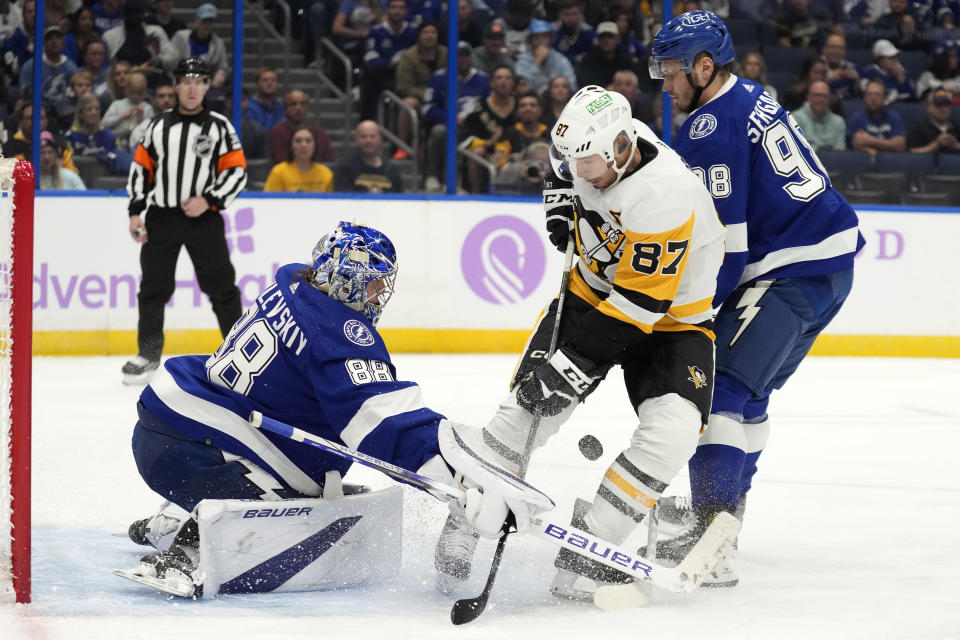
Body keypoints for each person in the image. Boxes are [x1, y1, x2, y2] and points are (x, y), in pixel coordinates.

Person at [119, 220, 551, 598]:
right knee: (291, 503)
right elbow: (387, 425)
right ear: (347, 278)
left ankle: (172, 515)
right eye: (374, 281)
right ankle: (188, 547)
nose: (381, 293)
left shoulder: (292, 281)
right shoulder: (338, 334)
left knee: (293, 466)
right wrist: (463, 485)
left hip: (172, 427)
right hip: (197, 452)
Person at [432, 85, 727, 597]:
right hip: (589, 296)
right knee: (522, 414)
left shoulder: (664, 195)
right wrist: (559, 200)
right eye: (571, 160)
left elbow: (637, 310)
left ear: (620, 148)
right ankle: (465, 519)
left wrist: (568, 369)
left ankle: (590, 547)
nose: (577, 171)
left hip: (671, 321)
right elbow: (560, 166)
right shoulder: (590, 150)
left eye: (587, 163)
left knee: (674, 433)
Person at [646, 10, 865, 587]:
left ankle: (712, 536)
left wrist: (690, 315)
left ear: (702, 66)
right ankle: (725, 521)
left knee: (716, 391)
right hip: (829, 269)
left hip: (787, 272)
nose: (663, 84)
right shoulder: (750, 96)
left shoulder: (710, 125)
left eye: (670, 71)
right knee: (752, 396)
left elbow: (730, 248)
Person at [123, 57, 247, 385]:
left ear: (207, 87)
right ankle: (148, 355)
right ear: (176, 86)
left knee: (223, 288)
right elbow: (141, 170)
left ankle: (238, 355)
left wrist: (210, 200)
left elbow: (237, 171)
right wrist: (136, 211)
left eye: (199, 81)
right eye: (186, 81)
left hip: (204, 219)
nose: (192, 87)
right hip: (162, 217)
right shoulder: (158, 126)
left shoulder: (220, 126)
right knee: (153, 288)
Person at [422, 41, 490, 192]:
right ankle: (433, 176)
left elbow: (488, 106)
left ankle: (462, 185)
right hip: (447, 125)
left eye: (466, 55)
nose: (463, 59)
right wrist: (451, 119)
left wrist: (471, 119)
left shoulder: (483, 79)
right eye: (458, 56)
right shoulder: (438, 78)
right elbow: (427, 108)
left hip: (474, 128)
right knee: (440, 132)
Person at [358, 0, 417, 121]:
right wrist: (388, 64)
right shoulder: (376, 31)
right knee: (370, 71)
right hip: (381, 73)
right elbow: (369, 55)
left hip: (405, 75)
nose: (397, 11)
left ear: (406, 11)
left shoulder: (412, 31)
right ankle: (367, 120)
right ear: (387, 10)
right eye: (394, 7)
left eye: (401, 8)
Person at [394, 21, 445, 157]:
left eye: (433, 32)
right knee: (408, 103)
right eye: (425, 32)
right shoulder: (409, 57)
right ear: (419, 36)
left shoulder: (446, 54)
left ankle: (428, 148)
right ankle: (403, 146)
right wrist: (427, 95)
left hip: (442, 98)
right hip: (419, 97)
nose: (429, 36)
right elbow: (405, 86)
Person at [66, 92, 131, 175]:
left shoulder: (110, 137)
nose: (94, 113)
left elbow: (120, 163)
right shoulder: (71, 137)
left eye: (97, 109)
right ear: (80, 114)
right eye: (89, 109)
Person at [334, 119, 404, 192]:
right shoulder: (345, 167)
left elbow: (400, 200)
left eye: (372, 136)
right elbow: (343, 200)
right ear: (356, 139)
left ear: (380, 139)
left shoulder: (392, 170)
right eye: (363, 136)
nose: (368, 141)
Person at [169, 3, 229, 88]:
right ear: (197, 20)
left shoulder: (218, 44)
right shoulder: (180, 38)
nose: (207, 25)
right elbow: (171, 62)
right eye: (204, 21)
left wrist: (220, 76)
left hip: (206, 87)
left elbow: (223, 67)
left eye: (211, 22)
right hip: (180, 84)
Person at [267, 90, 335, 164]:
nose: (298, 107)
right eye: (293, 104)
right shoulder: (276, 133)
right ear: (285, 109)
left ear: (307, 108)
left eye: (302, 104)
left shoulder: (320, 133)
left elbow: (329, 161)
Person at [515, 19, 577, 95]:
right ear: (530, 40)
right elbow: (521, 85)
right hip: (532, 101)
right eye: (536, 37)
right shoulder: (523, 59)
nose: (540, 40)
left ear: (551, 39)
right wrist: (537, 62)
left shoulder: (561, 60)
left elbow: (572, 86)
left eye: (544, 36)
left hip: (555, 101)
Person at [19, 26, 79, 104]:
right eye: (49, 39)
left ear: (63, 44)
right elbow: (24, 94)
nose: (54, 41)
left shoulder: (71, 68)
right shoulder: (30, 66)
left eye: (57, 38)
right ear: (43, 44)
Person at [263, 126, 335, 192]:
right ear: (291, 146)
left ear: (315, 146)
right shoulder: (278, 172)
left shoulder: (326, 174)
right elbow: (269, 201)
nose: (303, 145)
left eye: (308, 141)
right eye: (298, 141)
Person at [848, 77, 907, 155]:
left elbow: (900, 145)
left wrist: (870, 140)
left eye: (878, 95)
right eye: (870, 94)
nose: (873, 98)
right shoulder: (857, 118)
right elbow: (857, 144)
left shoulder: (894, 117)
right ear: (865, 97)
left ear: (884, 98)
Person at [575, 21, 638, 89]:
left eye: (610, 37)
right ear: (598, 39)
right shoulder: (588, 59)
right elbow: (586, 84)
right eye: (603, 37)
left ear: (618, 39)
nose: (606, 40)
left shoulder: (626, 58)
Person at [102, 70, 155, 148]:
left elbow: (151, 130)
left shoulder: (147, 108)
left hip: (138, 146)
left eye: (139, 93)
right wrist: (121, 116)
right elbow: (103, 124)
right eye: (132, 92)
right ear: (126, 90)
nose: (136, 96)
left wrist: (141, 120)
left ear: (144, 92)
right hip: (117, 144)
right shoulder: (117, 104)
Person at [792, 79, 847, 150]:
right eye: (817, 95)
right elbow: (796, 149)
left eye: (825, 96)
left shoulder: (839, 122)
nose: (821, 99)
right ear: (808, 97)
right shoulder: (795, 118)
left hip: (832, 160)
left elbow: (841, 151)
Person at [860, 38, 918, 104]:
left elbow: (914, 100)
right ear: (880, 60)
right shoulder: (869, 73)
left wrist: (902, 82)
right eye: (890, 58)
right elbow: (865, 97)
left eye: (895, 57)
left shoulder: (904, 74)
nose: (895, 61)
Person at [907, 88, 960, 154]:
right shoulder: (919, 128)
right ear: (929, 108)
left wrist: (956, 145)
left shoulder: (955, 127)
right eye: (938, 105)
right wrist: (937, 144)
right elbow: (911, 153)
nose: (943, 109)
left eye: (946, 105)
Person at [129, 79, 176, 151]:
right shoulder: (142, 129)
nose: (166, 100)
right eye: (161, 96)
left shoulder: (186, 124)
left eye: (171, 96)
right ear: (153, 100)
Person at [550, 0, 594, 64]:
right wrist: (574, 58)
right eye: (567, 14)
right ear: (559, 15)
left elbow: (592, 55)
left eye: (575, 14)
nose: (571, 18)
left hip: (582, 67)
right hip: (557, 66)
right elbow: (550, 55)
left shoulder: (588, 31)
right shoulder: (552, 31)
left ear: (580, 14)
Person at [820, 33, 860, 102]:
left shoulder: (851, 68)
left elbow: (858, 96)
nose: (837, 51)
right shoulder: (816, 67)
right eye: (833, 47)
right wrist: (825, 81)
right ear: (825, 49)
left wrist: (857, 82)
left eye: (841, 48)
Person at [246, 67, 286, 132]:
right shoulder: (248, 107)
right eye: (265, 80)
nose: (269, 83)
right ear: (257, 84)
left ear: (277, 84)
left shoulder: (281, 107)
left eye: (273, 80)